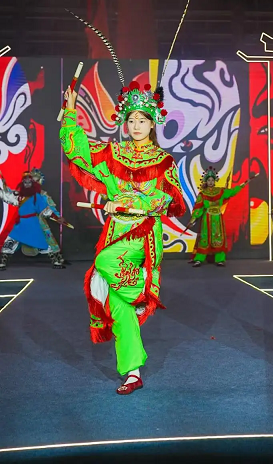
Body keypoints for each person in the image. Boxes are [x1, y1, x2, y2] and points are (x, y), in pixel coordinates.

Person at [60, 80, 185, 395]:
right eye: (131, 120)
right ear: (125, 123)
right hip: (115, 232)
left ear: (153, 123)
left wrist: (133, 201)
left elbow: (172, 201)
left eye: (142, 119)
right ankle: (133, 371)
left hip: (142, 236)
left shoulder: (164, 160)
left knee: (103, 262)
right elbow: (78, 152)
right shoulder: (113, 153)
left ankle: (139, 292)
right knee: (119, 308)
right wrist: (71, 111)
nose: (136, 125)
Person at [187, 168, 256, 267]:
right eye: (209, 180)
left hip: (217, 219)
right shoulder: (202, 194)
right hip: (207, 219)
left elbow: (232, 191)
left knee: (218, 237)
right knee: (205, 238)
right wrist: (193, 219)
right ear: (206, 181)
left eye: (212, 180)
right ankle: (199, 259)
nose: (211, 182)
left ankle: (220, 259)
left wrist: (243, 184)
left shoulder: (220, 191)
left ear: (214, 181)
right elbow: (199, 208)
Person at [0, 169, 67, 270]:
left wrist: (56, 217)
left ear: (33, 183)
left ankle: (56, 261)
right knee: (9, 242)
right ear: (22, 183)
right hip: (21, 223)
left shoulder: (37, 197)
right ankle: (2, 262)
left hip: (33, 223)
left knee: (42, 242)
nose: (27, 184)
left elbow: (45, 210)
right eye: (25, 182)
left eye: (29, 182)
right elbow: (7, 195)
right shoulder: (18, 196)